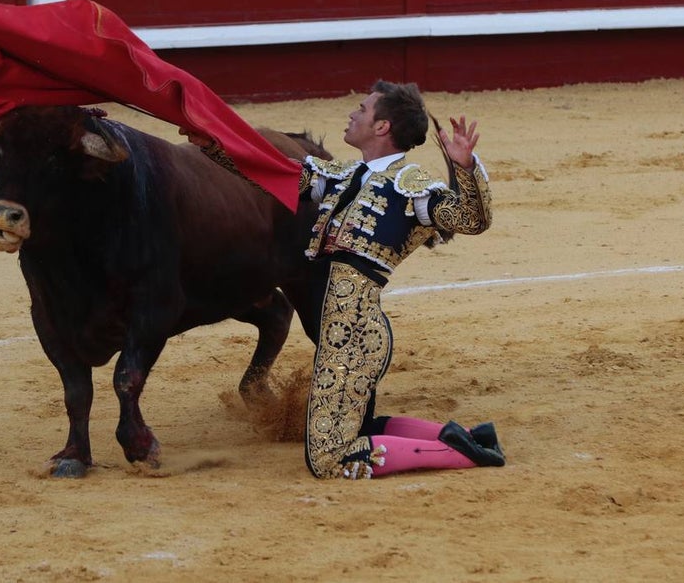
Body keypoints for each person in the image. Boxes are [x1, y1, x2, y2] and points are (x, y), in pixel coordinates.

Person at [185, 80, 503, 480]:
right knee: (358, 430)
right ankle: (465, 436)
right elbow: (273, 172)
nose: (353, 113)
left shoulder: (412, 185)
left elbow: (472, 220)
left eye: (363, 109)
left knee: (329, 459)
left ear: (383, 127)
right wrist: (212, 146)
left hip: (357, 335)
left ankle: (466, 453)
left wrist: (465, 168)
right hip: (340, 332)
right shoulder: (342, 176)